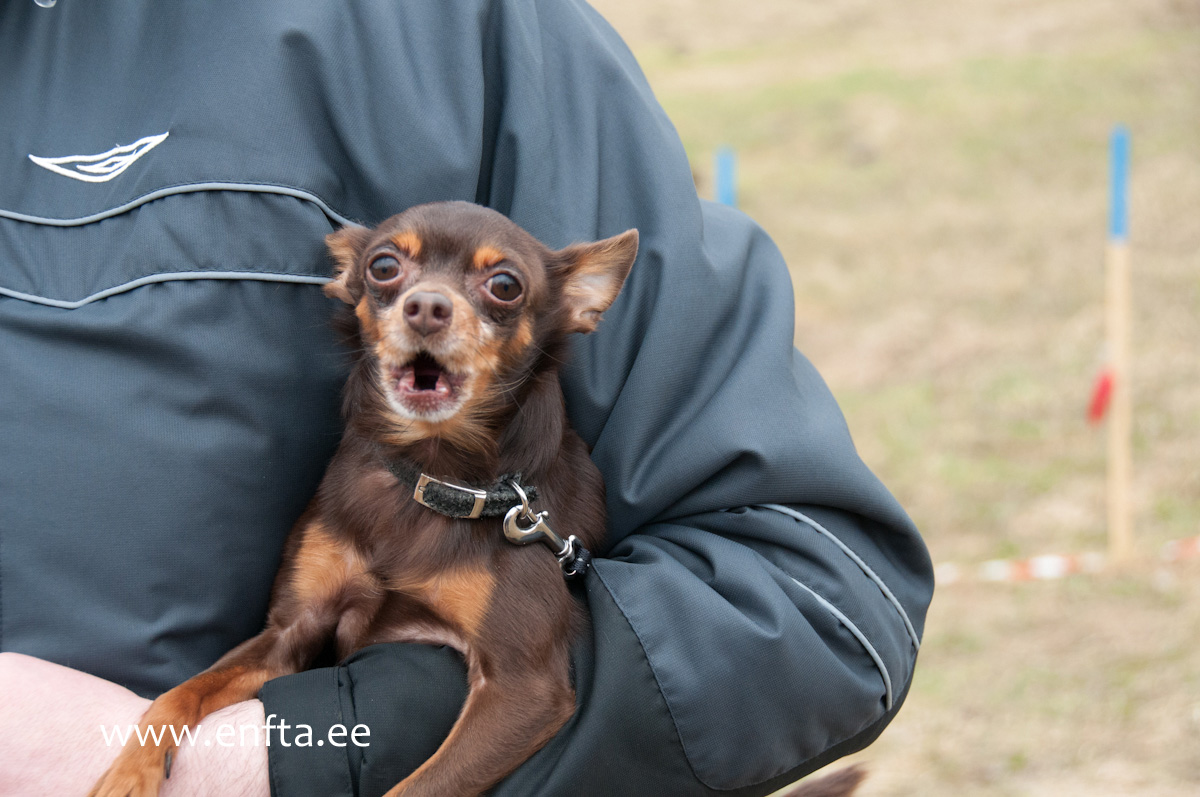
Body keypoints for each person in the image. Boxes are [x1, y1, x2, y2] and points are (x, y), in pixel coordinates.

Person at [0, 1, 934, 794]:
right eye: (391, 270)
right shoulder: (348, 502)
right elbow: (289, 635)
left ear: (571, 308)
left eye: (494, 289)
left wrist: (259, 761)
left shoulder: (464, 36)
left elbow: (808, 601)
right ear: (354, 286)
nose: (427, 301)